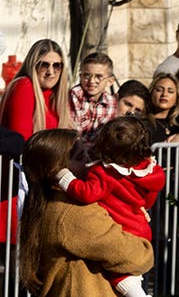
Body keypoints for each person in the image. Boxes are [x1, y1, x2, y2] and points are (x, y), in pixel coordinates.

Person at [18, 128, 154, 296]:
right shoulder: (73, 212)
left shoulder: (48, 204)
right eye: (81, 157)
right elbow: (137, 256)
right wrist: (137, 228)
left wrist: (129, 212)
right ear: (58, 170)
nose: (90, 163)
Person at [55, 117, 164, 297]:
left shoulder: (104, 174)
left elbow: (86, 192)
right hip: (139, 225)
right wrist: (142, 206)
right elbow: (150, 196)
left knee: (118, 273)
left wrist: (66, 178)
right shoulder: (152, 170)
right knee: (133, 272)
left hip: (120, 227)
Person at [0, 39, 74, 140]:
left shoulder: (56, 94)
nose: (50, 72)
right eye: (44, 65)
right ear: (33, 65)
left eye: (56, 66)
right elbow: (21, 141)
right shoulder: (24, 86)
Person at [70, 52, 119, 141]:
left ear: (110, 81)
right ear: (80, 77)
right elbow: (74, 133)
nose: (92, 81)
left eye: (99, 76)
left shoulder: (112, 103)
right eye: (87, 75)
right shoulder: (73, 96)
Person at [145, 72, 179, 145]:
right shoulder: (143, 125)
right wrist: (175, 142)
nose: (164, 94)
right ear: (151, 93)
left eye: (170, 91)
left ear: (177, 99)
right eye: (159, 90)